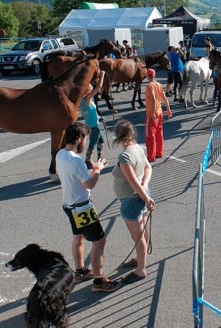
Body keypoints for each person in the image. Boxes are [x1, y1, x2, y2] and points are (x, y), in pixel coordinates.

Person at [56, 122, 119, 293]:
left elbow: (76, 180)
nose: (86, 144)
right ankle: (99, 281)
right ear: (79, 139)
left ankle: (80, 271)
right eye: (86, 139)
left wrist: (90, 171)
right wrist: (97, 169)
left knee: (78, 237)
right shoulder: (77, 161)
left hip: (68, 204)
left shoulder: (60, 154)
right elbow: (90, 184)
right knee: (99, 241)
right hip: (82, 208)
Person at [111, 120, 156, 284]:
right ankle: (139, 259)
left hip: (131, 199)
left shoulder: (124, 156)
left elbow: (132, 183)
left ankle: (140, 269)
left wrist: (144, 194)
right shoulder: (139, 148)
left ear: (119, 136)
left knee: (137, 236)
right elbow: (147, 168)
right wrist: (145, 189)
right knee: (142, 233)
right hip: (141, 195)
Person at [79, 71, 106, 169]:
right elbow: (98, 87)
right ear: (88, 91)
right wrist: (102, 75)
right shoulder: (87, 98)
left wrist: (99, 117)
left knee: (101, 140)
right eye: (90, 88)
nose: (92, 89)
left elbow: (91, 113)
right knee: (93, 143)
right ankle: (87, 160)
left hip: (91, 123)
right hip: (94, 126)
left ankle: (100, 157)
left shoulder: (83, 100)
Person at [144, 68, 172, 162]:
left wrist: (151, 113)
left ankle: (151, 157)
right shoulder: (159, 84)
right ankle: (159, 153)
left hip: (152, 114)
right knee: (159, 134)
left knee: (150, 136)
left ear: (147, 75)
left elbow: (153, 99)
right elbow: (164, 98)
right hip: (159, 112)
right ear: (154, 75)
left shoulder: (149, 86)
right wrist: (168, 109)